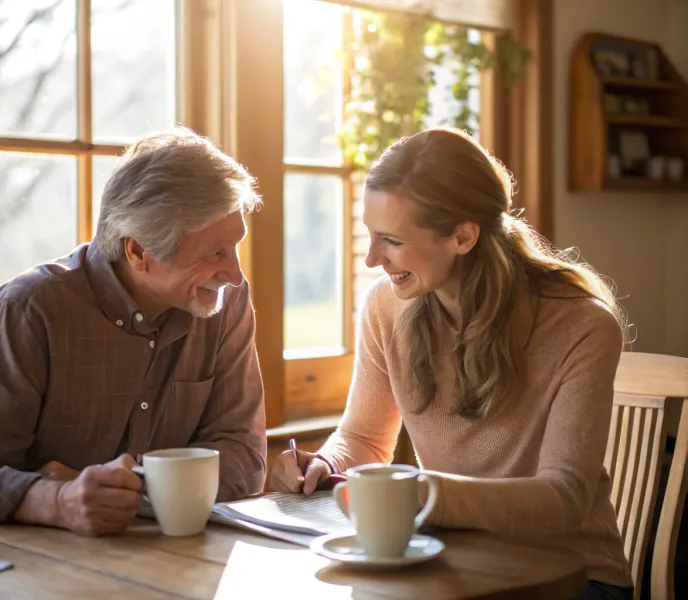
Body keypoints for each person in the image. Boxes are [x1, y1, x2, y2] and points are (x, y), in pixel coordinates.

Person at [268, 128, 633, 600]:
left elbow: (564, 498)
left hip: (572, 577)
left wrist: (425, 495)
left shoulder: (582, 325)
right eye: (369, 236)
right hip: (447, 562)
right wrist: (323, 464)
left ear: (463, 236)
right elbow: (362, 438)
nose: (374, 258)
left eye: (391, 240)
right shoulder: (387, 307)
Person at [0, 129, 267, 537]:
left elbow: (244, 455)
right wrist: (55, 500)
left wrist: (133, 488)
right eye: (214, 253)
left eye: (235, 245)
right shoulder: (29, 311)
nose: (235, 274)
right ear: (137, 252)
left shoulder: (223, 302)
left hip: (130, 560)